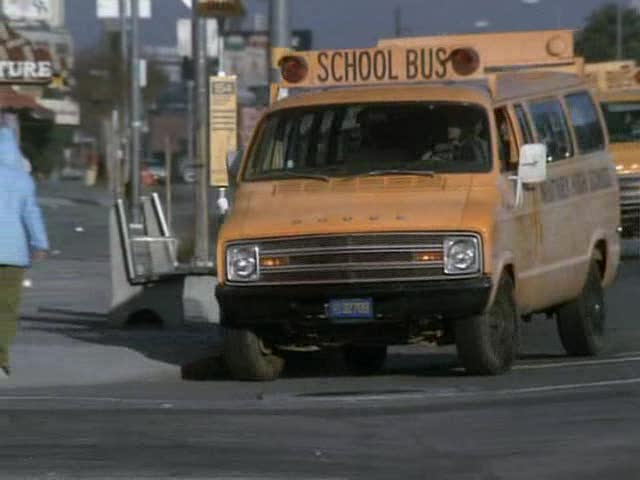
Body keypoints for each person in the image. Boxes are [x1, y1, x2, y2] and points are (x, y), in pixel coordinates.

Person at [0, 126, 49, 378]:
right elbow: (31, 214)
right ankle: (1, 361)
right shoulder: (22, 180)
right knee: (6, 308)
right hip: (13, 255)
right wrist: (40, 244)